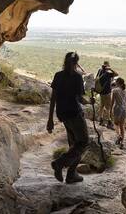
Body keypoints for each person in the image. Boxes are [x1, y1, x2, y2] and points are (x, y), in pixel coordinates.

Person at [47, 52, 92, 184]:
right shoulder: (77, 77)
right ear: (76, 63)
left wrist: (50, 119)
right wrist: (90, 102)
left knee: (74, 145)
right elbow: (79, 98)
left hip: (63, 114)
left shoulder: (58, 75)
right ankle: (60, 163)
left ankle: (71, 175)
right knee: (83, 142)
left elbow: (53, 98)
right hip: (74, 113)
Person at [111, 77, 126, 148]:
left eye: (116, 81)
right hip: (124, 109)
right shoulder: (125, 91)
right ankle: (122, 142)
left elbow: (112, 101)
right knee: (122, 126)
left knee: (116, 123)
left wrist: (110, 109)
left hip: (117, 109)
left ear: (118, 83)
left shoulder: (115, 90)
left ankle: (118, 136)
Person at [96, 61, 118, 129]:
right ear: (107, 65)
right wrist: (110, 69)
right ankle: (109, 122)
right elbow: (117, 74)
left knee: (102, 106)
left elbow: (96, 78)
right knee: (108, 108)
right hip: (107, 92)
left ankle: (101, 120)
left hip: (101, 92)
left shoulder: (100, 70)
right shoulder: (108, 73)